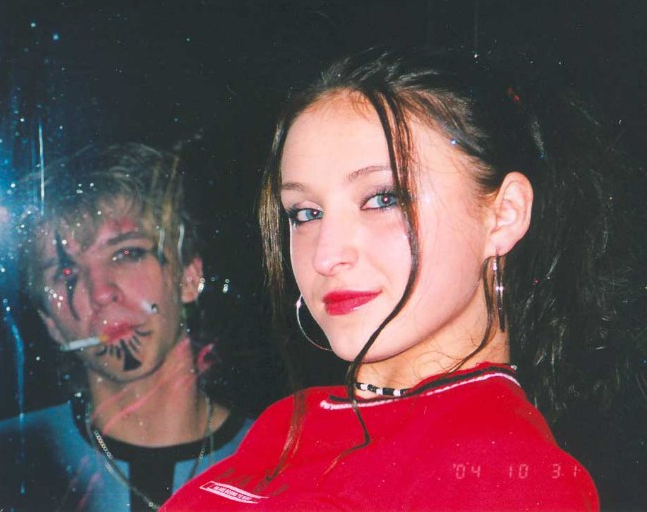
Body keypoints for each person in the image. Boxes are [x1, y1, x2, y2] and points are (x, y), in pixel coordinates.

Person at [162, 48, 644, 511]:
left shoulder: (507, 472)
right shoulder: (291, 421)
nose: (325, 255)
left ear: (504, 214)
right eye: (305, 213)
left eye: (382, 199)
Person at [0, 142, 253, 512]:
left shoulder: (280, 459)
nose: (101, 292)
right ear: (49, 321)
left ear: (188, 276)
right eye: (66, 272)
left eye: (127, 253)